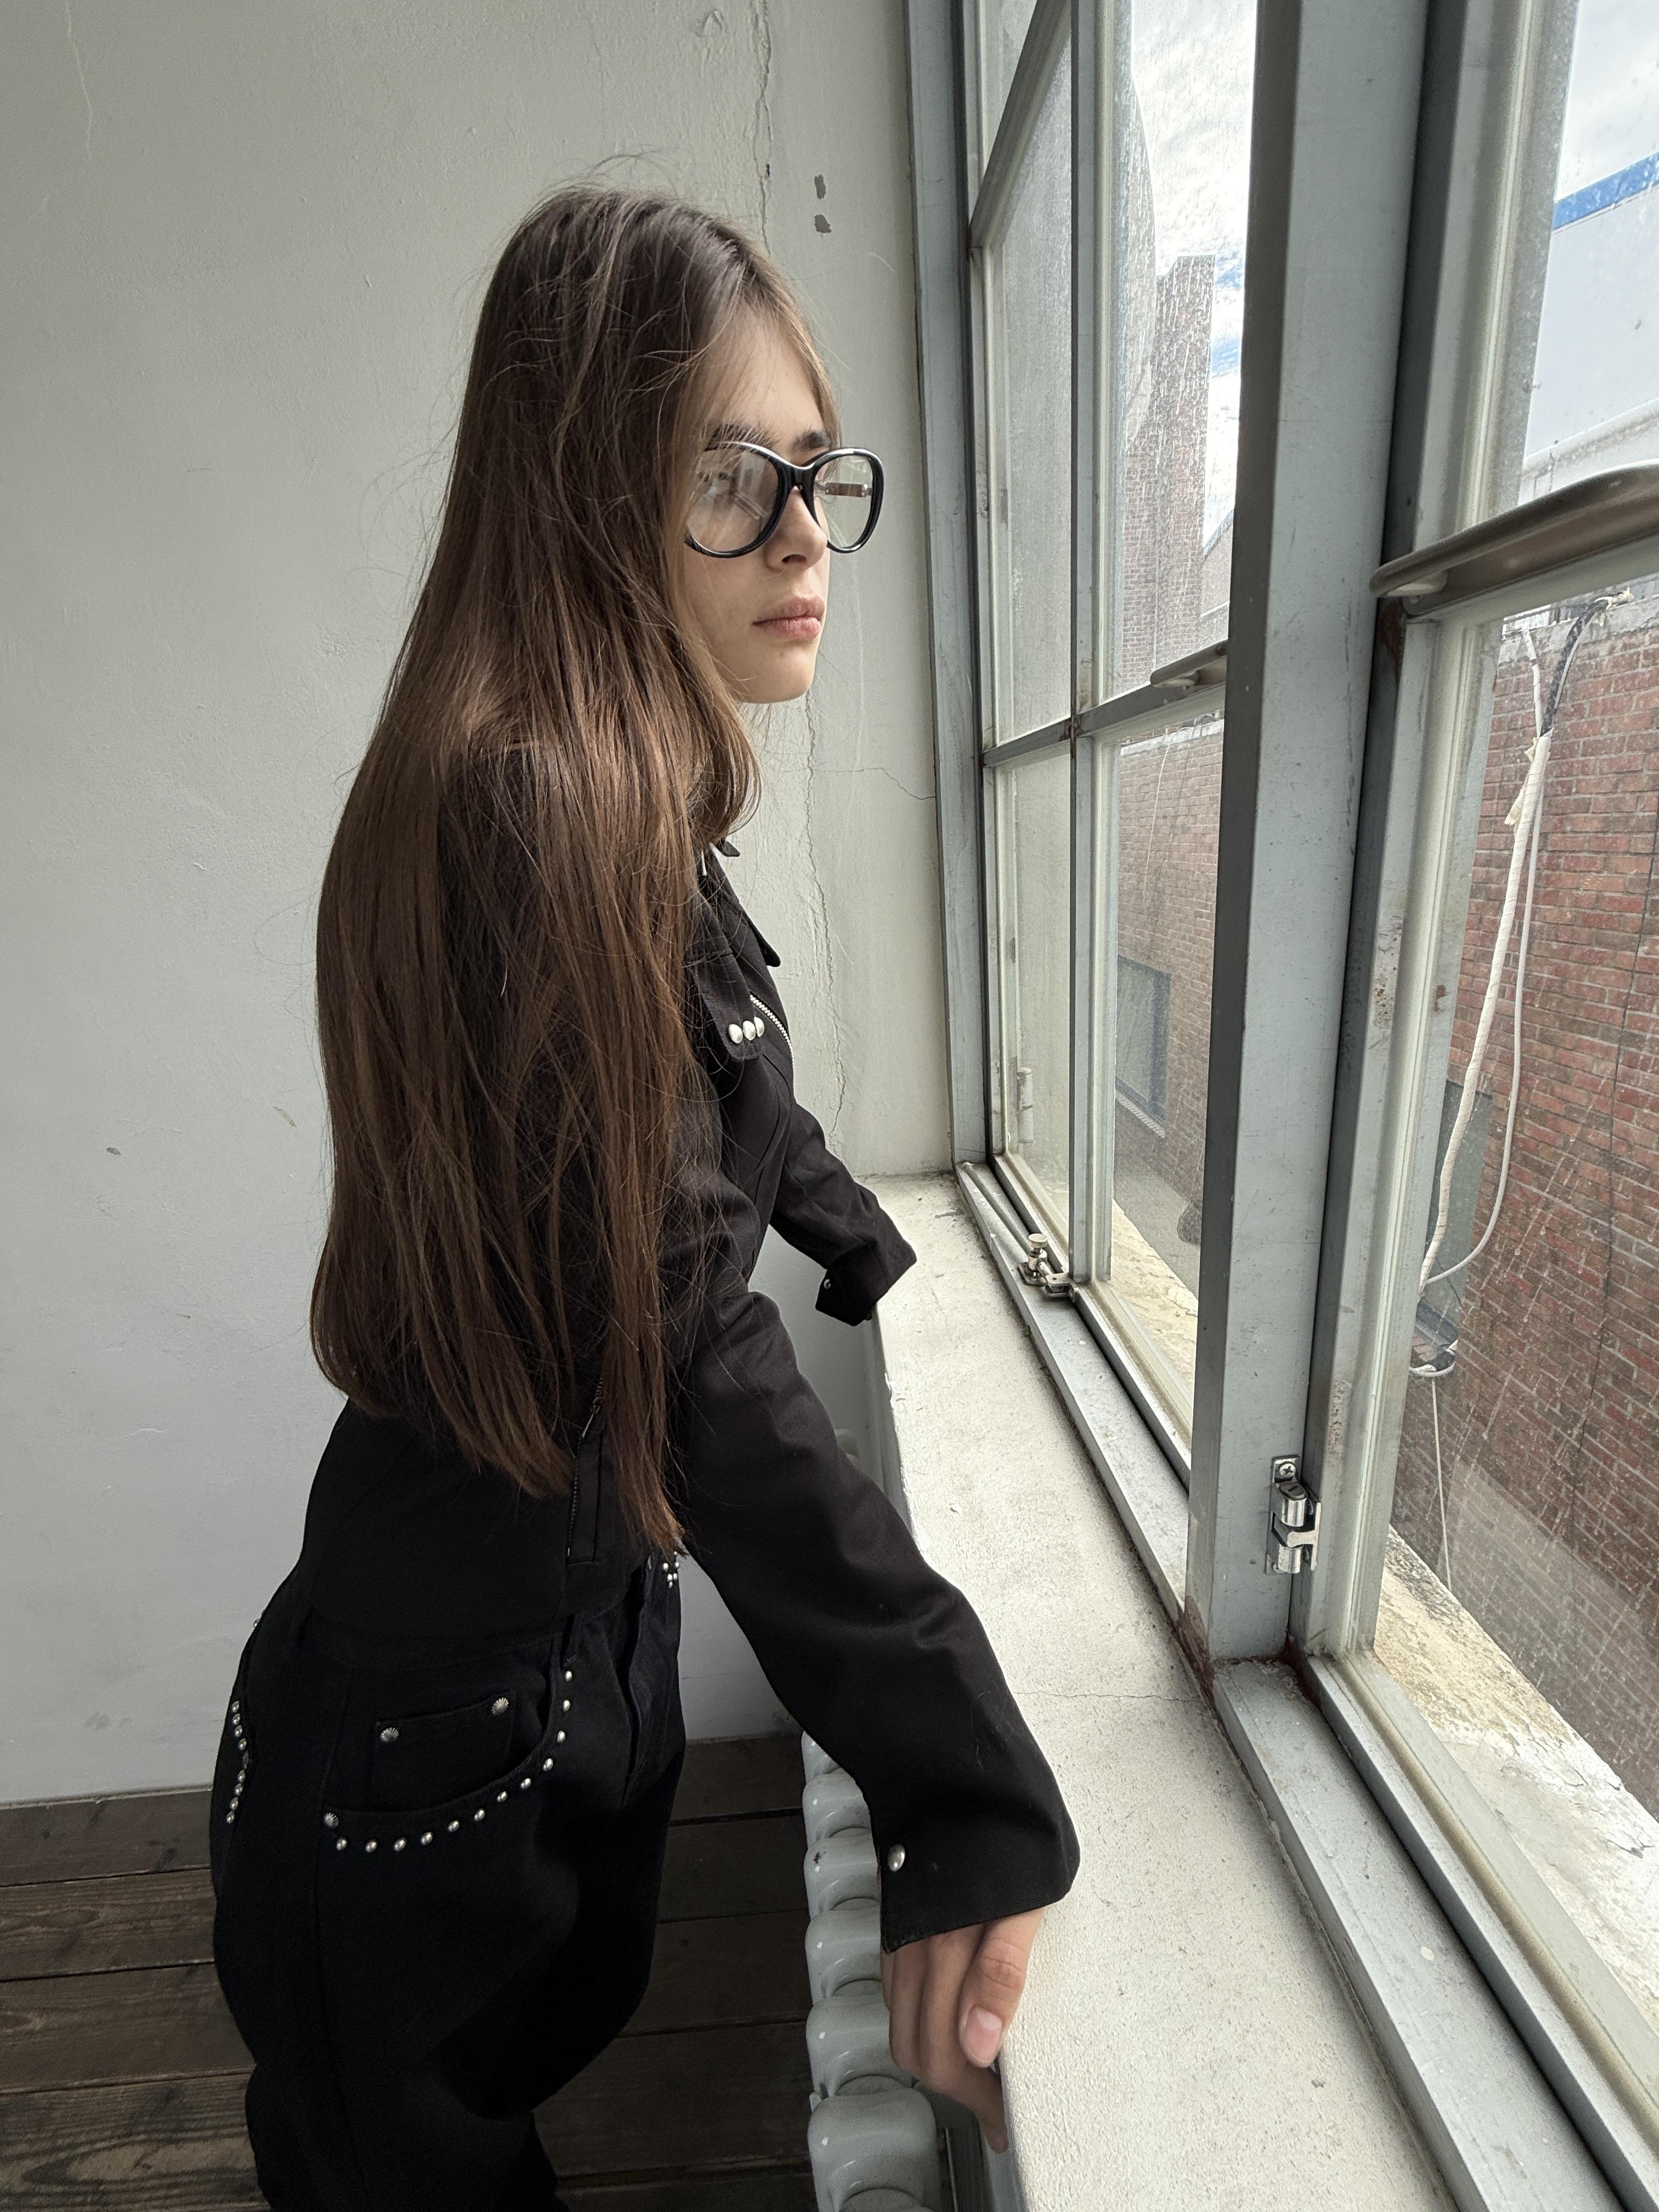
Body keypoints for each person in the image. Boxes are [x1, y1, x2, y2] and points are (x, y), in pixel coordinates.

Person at [207, 180, 1080, 2211]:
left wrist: (859, 1237)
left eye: (814, 474)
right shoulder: (542, 818)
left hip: (506, 1646)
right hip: (438, 1710)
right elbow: (680, 1347)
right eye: (725, 480)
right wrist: (961, 1772)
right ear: (583, 492)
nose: (802, 536)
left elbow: (705, 1096)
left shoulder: (585, 797)